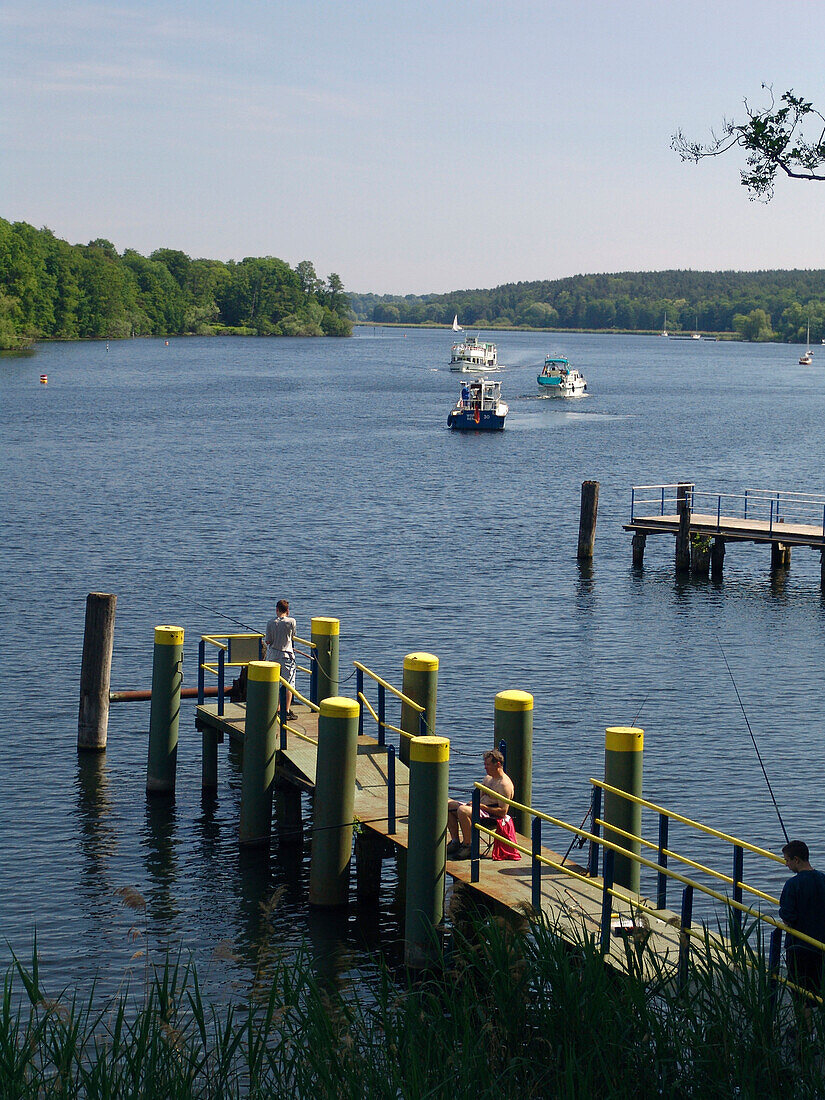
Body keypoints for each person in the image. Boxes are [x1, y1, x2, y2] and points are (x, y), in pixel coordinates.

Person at [779, 840, 825, 1021]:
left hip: (800, 949)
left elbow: (788, 916)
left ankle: (803, 1036)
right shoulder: (823, 879)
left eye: (787, 860)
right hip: (821, 946)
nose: (786, 864)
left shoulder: (792, 885)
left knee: (802, 994)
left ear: (796, 860)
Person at [447, 750, 514, 860]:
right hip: (479, 808)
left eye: (488, 764)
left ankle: (468, 846)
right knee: (449, 805)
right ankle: (455, 842)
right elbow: (479, 796)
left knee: (463, 811)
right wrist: (473, 803)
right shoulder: (488, 778)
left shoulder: (504, 785)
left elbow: (503, 812)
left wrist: (480, 807)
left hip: (492, 816)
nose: (485, 767)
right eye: (485, 764)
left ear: (497, 764)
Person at [265, 599, 297, 719]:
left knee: (274, 682)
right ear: (287, 610)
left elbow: (268, 641)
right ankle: (286, 710)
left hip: (273, 656)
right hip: (287, 656)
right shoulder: (291, 621)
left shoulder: (270, 623)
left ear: (277, 610)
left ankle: (276, 708)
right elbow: (293, 635)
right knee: (289, 684)